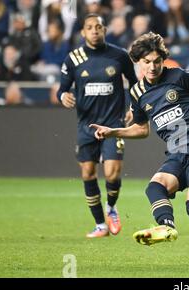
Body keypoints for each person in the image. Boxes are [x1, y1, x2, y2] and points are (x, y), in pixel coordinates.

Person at [90, 32, 189, 249]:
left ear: (163, 60)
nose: (152, 67)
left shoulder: (179, 76)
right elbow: (141, 129)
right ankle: (167, 227)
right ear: (138, 62)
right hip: (176, 153)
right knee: (155, 187)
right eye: (147, 62)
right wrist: (113, 132)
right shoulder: (137, 92)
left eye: (157, 61)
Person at [56, 14, 138, 238]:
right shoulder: (73, 58)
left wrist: (134, 108)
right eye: (90, 27)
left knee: (112, 172)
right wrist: (63, 96)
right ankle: (100, 225)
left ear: (105, 30)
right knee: (88, 173)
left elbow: (135, 84)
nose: (94, 31)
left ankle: (111, 207)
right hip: (86, 127)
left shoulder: (119, 55)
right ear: (83, 32)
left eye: (99, 27)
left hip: (113, 125)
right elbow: (62, 88)